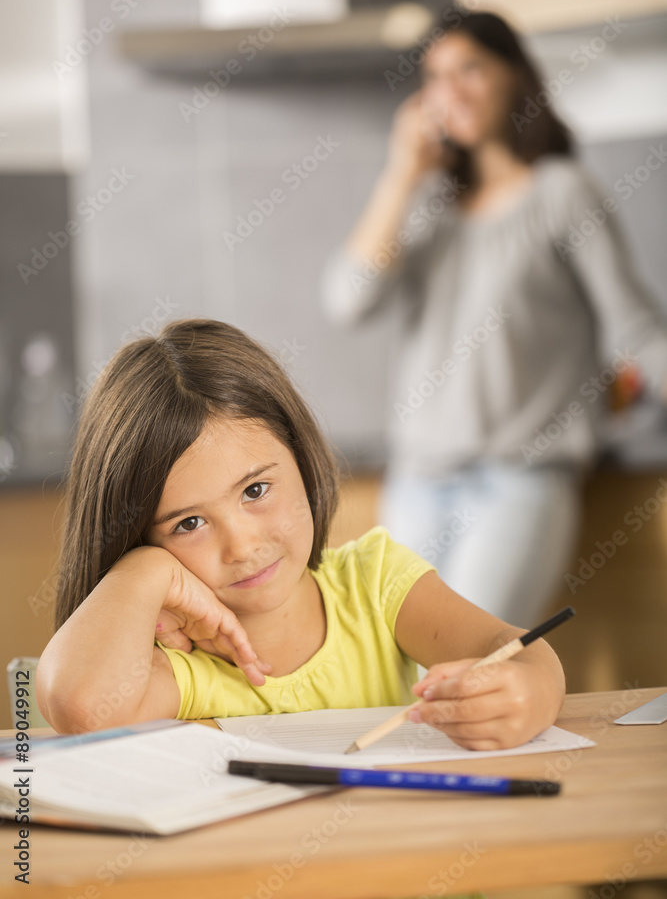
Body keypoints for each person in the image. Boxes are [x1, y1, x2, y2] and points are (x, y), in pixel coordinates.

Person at [36, 318, 566, 753]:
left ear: (300, 456)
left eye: (256, 490)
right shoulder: (174, 662)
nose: (242, 546)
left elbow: (515, 649)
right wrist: (142, 572)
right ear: (137, 536)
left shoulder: (373, 584)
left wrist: (532, 691)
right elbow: (79, 704)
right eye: (188, 524)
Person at [321, 6, 667, 628]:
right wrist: (402, 173)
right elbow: (350, 299)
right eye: (435, 76)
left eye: (471, 69)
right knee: (396, 681)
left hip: (519, 481)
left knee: (467, 673)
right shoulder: (430, 209)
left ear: (515, 77)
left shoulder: (562, 192)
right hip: (418, 481)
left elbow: (636, 328)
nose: (450, 91)